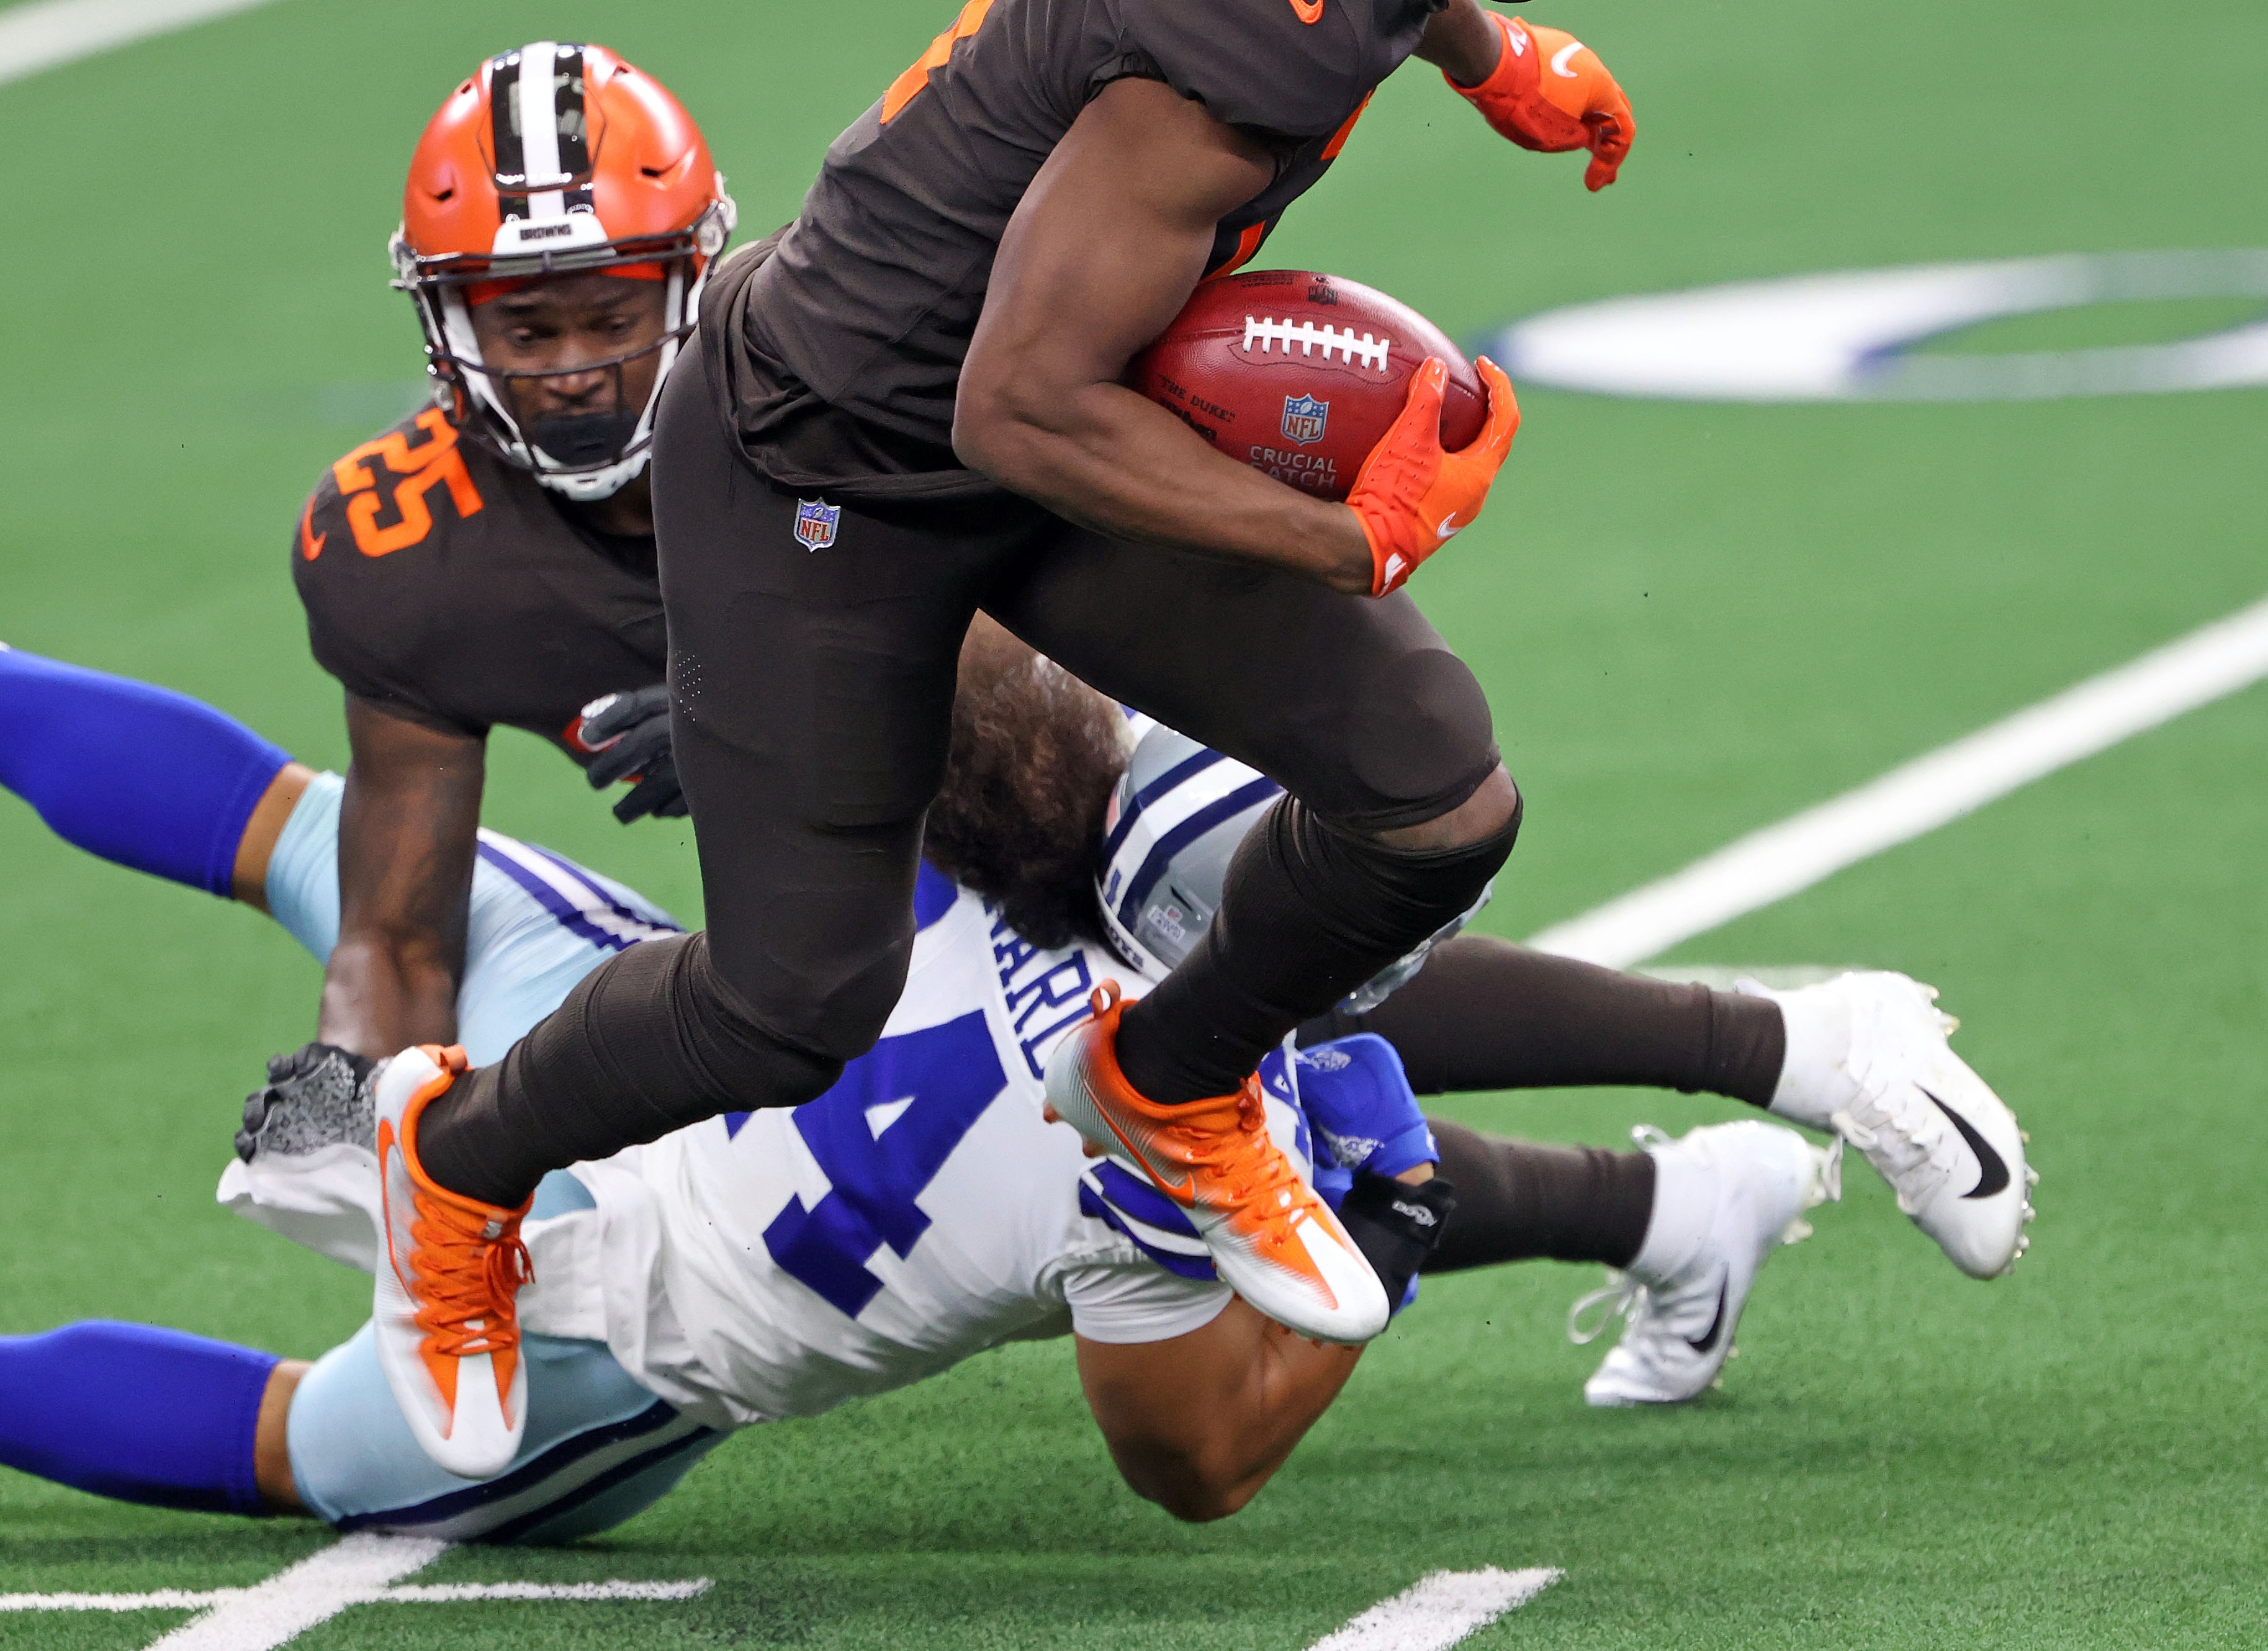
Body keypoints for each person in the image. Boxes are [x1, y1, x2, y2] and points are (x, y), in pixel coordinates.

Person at [376, 0, 1665, 1474]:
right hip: (837, 452)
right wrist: (1347, 532)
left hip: (1036, 390)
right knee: (789, 1001)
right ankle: (450, 1161)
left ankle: (1164, 1074)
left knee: (1432, 797)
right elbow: (1018, 404)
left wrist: (1489, 56)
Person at [0, 634, 2024, 1529]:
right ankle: (1687, 1181)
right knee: (289, 1440)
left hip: (582, 1110)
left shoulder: (1042, 850)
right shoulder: (1148, 1107)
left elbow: (1189, 1453)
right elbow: (1193, 1458)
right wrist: (1374, 1261)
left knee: (294, 824)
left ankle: (1676, 1198)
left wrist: (765, 721)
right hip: (605, 1282)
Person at [289, 42, 734, 1058]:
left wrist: (768, 715)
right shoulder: (404, 548)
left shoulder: (825, 416)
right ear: (449, 330)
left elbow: (1045, 698)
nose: (575, 371)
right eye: (528, 335)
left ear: (688, 288)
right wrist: (364, 1098)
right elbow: (397, 943)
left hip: (985, 854)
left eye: (608, 318)